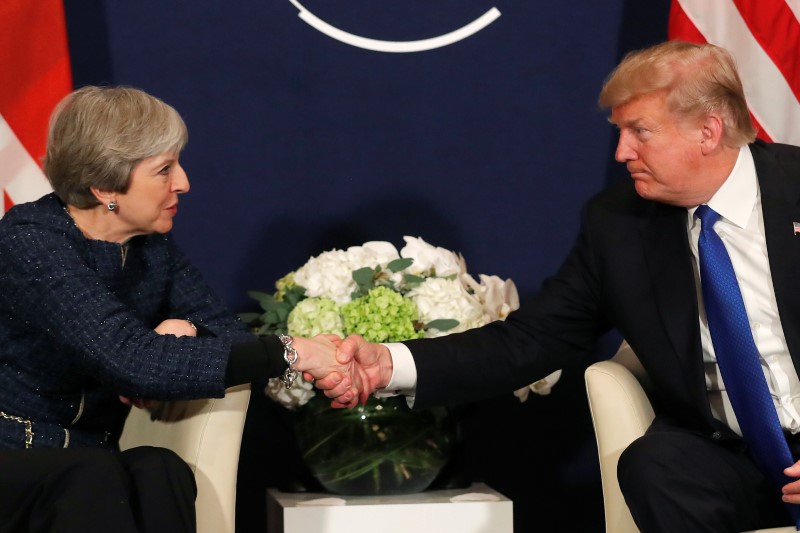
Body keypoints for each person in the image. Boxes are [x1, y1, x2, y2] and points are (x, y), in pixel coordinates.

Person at [315, 40, 800, 532]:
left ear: (708, 131)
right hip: (732, 458)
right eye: (620, 131)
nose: (621, 151)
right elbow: (532, 339)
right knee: (656, 463)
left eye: (640, 132)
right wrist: (390, 363)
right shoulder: (619, 226)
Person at [0, 85, 354, 532]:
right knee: (90, 475)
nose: (183, 183)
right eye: (164, 170)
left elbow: (223, 328)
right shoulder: (29, 243)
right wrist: (292, 352)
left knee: (159, 468)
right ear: (106, 186)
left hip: (87, 461)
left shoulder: (149, 245)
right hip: (15, 456)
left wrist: (185, 326)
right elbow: (131, 360)